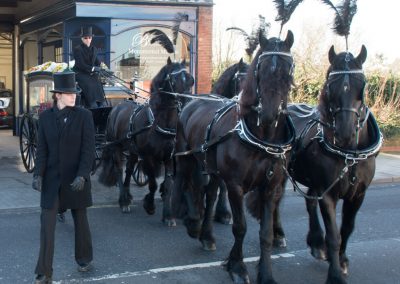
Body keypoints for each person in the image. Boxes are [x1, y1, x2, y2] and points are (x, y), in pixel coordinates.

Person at [32, 71, 96, 284]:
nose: (74, 96)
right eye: (69, 93)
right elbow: (41, 150)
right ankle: (44, 271)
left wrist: (83, 175)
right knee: (46, 224)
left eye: (75, 93)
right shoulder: (45, 118)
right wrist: (37, 174)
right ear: (58, 95)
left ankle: (84, 258)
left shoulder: (84, 116)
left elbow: (88, 150)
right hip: (52, 180)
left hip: (76, 179)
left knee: (81, 220)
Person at [72, 26, 106, 108]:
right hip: (80, 73)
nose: (87, 40)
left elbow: (97, 61)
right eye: (85, 38)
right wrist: (93, 68)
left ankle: (101, 103)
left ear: (91, 38)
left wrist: (103, 67)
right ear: (82, 39)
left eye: (89, 38)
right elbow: (81, 64)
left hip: (90, 74)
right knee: (89, 84)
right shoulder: (77, 49)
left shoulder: (94, 49)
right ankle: (92, 104)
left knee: (98, 83)